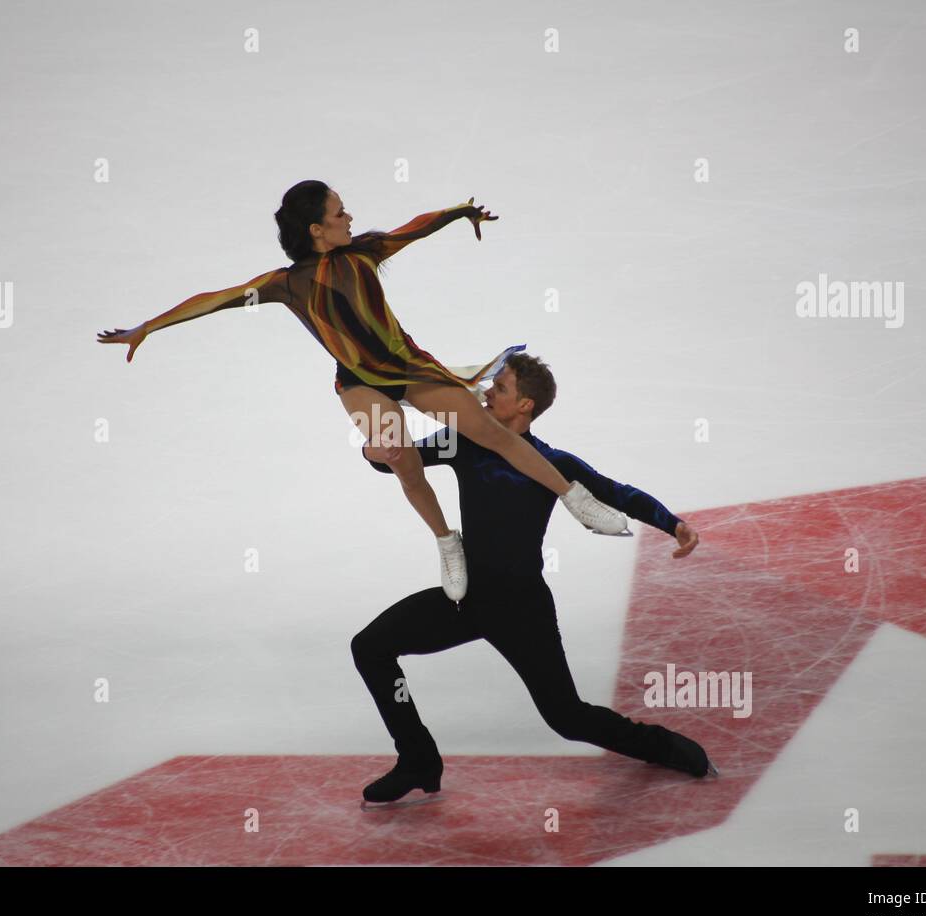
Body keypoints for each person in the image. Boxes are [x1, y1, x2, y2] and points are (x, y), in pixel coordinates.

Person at [97, 181, 629, 599]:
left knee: (490, 433)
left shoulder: (366, 251)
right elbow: (216, 297)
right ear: (316, 230)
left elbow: (414, 228)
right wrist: (150, 325)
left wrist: (458, 212)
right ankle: (448, 541)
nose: (349, 217)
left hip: (410, 366)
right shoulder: (286, 284)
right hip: (359, 382)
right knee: (396, 451)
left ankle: (575, 500)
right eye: (339, 213)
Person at [351, 352, 718, 806]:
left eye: (499, 388)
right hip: (465, 597)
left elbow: (615, 493)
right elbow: (396, 460)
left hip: (521, 608)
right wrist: (374, 449)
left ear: (525, 406)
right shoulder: (466, 442)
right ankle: (418, 760)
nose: (486, 392)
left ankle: (663, 746)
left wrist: (674, 524)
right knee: (370, 647)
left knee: (567, 717)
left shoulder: (551, 463)